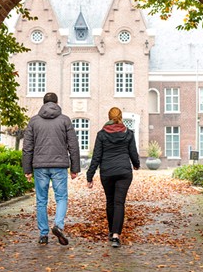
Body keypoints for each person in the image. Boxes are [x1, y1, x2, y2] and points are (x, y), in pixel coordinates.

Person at [22, 92, 81, 246]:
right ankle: (58, 225)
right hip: (59, 166)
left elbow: (27, 147)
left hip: (40, 166)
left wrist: (27, 169)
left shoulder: (34, 121)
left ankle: (43, 235)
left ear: (43, 103)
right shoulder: (65, 120)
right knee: (61, 197)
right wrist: (74, 168)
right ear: (56, 103)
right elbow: (73, 146)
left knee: (41, 200)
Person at [86, 107, 140, 248]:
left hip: (107, 172)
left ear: (108, 117)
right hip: (124, 172)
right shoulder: (128, 133)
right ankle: (116, 235)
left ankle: (111, 231)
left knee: (110, 201)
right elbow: (133, 152)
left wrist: (89, 175)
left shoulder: (102, 134)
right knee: (119, 203)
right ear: (121, 117)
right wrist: (136, 164)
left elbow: (96, 157)